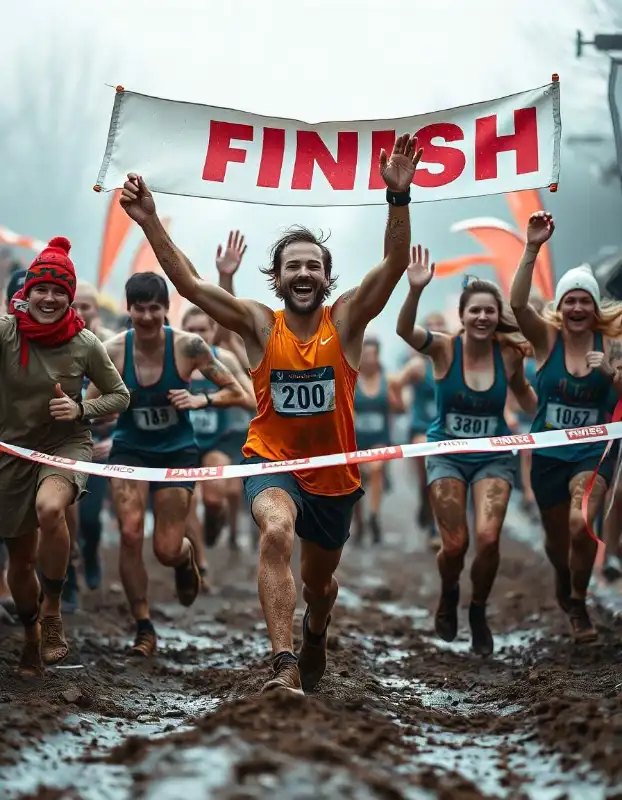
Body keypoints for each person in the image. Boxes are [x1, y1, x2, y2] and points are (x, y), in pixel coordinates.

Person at [120, 132, 423, 693]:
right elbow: (188, 283)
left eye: (313, 266)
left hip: (334, 476)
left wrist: (398, 197)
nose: (303, 274)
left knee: (319, 587)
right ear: (277, 277)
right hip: (272, 461)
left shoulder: (348, 321)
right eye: (292, 267)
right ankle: (283, 664)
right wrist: (149, 220)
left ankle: (315, 630)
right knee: (276, 532)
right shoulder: (261, 325)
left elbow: (394, 263)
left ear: (326, 277)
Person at [87, 272, 247, 657]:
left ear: (166, 309)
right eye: (139, 309)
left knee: (165, 548)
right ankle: (143, 626)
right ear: (128, 309)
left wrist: (201, 401)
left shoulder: (189, 348)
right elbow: (91, 405)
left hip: (177, 451)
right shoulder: (112, 351)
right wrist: (94, 421)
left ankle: (185, 558)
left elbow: (236, 390)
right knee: (128, 532)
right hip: (130, 450)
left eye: (154, 309)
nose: (146, 317)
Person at [396, 246, 536, 656]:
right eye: (474, 310)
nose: (482, 317)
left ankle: (477, 609)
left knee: (489, 538)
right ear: (463, 314)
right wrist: (415, 290)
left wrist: (543, 403)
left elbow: (526, 401)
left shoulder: (509, 354)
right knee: (455, 545)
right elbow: (405, 331)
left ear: (497, 316)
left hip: (493, 456)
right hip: (447, 455)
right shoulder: (443, 348)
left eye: (489, 311)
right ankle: (449, 590)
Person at [0, 237, 129, 674]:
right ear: (27, 292)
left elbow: (119, 396)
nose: (49, 299)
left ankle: (53, 606)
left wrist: (80, 408)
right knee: (20, 562)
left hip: (63, 444)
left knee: (51, 509)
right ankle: (32, 633)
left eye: (59, 292)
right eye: (42, 289)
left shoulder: (85, 342)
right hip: (11, 449)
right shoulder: (6, 332)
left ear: (70, 297)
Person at [510, 212, 622, 642]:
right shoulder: (546, 340)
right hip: (548, 456)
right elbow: (519, 305)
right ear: (560, 307)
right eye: (570, 300)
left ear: (595, 308)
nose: (577, 308)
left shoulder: (611, 343)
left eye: (585, 301)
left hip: (594, 453)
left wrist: (612, 372)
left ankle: (578, 602)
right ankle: (565, 580)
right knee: (558, 543)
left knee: (582, 524)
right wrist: (533, 247)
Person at [181, 304, 255, 584]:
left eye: (203, 329)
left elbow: (251, 400)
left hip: (217, 441)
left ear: (213, 331)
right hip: (182, 441)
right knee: (187, 500)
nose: (197, 336)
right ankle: (200, 563)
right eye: (191, 330)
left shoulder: (223, 360)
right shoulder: (173, 358)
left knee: (214, 498)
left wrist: (211, 398)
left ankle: (216, 520)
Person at [72, 282, 118, 591]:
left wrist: (115, 440)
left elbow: (131, 399)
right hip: (63, 443)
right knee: (64, 516)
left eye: (84, 307)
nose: (78, 313)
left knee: (89, 517)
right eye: (73, 306)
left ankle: (91, 555)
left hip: (101, 442)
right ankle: (67, 584)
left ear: (96, 311)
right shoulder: (54, 346)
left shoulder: (113, 347)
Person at [390, 311, 447, 549]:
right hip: (421, 428)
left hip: (449, 430)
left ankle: (438, 524)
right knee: (429, 476)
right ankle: (427, 509)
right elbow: (394, 384)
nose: (434, 330)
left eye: (439, 325)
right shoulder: (417, 365)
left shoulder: (455, 360)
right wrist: (402, 406)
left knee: (444, 481)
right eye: (430, 326)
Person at [352, 336, 395, 544]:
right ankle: (358, 521)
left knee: (376, 470)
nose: (369, 359)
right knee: (356, 481)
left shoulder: (388, 380)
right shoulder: (350, 379)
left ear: (378, 356)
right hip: (355, 442)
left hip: (379, 439)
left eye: (373, 355)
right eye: (365, 355)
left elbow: (401, 407)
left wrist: (394, 399)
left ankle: (374, 516)